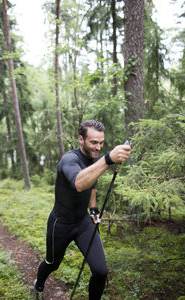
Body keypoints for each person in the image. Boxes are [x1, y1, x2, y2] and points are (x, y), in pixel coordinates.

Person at [34, 120, 131, 300]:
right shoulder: (69, 160)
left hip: (83, 222)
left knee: (101, 271)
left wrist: (93, 209)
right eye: (94, 142)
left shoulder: (93, 160)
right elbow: (79, 183)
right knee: (52, 264)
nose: (98, 147)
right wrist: (108, 159)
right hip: (61, 224)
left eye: (101, 143)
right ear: (81, 139)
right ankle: (39, 284)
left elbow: (91, 185)